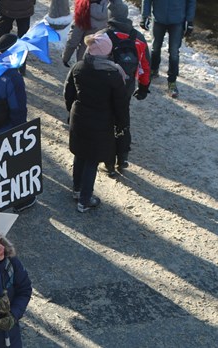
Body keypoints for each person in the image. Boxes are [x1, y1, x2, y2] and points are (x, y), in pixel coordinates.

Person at [63, 33, 129, 212]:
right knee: (91, 160)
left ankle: (77, 190)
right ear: (106, 52)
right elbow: (121, 104)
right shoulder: (113, 74)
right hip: (100, 122)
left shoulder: (79, 67)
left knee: (80, 154)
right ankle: (85, 200)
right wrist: (122, 123)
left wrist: (71, 110)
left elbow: (68, 92)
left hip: (79, 118)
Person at [0, 34, 36, 213]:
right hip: (6, 131)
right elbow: (18, 110)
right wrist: (22, 133)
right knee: (13, 166)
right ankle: (20, 200)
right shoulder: (13, 77)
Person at [101, 0, 151, 176]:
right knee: (123, 120)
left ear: (110, 16)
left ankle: (108, 163)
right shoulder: (138, 37)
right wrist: (144, 86)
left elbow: (90, 61)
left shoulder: (103, 36)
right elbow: (145, 64)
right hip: (126, 88)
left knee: (107, 122)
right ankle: (122, 158)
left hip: (106, 88)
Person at [140, 0, 196, 98]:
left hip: (178, 21)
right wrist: (145, 16)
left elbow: (191, 1)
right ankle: (153, 69)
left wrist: (189, 20)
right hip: (158, 19)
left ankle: (172, 81)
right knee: (155, 47)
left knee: (174, 52)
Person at [0, 0, 36, 75]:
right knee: (23, 38)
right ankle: (22, 64)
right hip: (25, 8)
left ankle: (2, 61)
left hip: (7, 8)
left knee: (3, 35)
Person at [62, 0, 108, 67]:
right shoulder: (110, 7)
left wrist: (65, 58)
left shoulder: (83, 9)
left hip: (84, 56)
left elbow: (73, 39)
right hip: (102, 56)